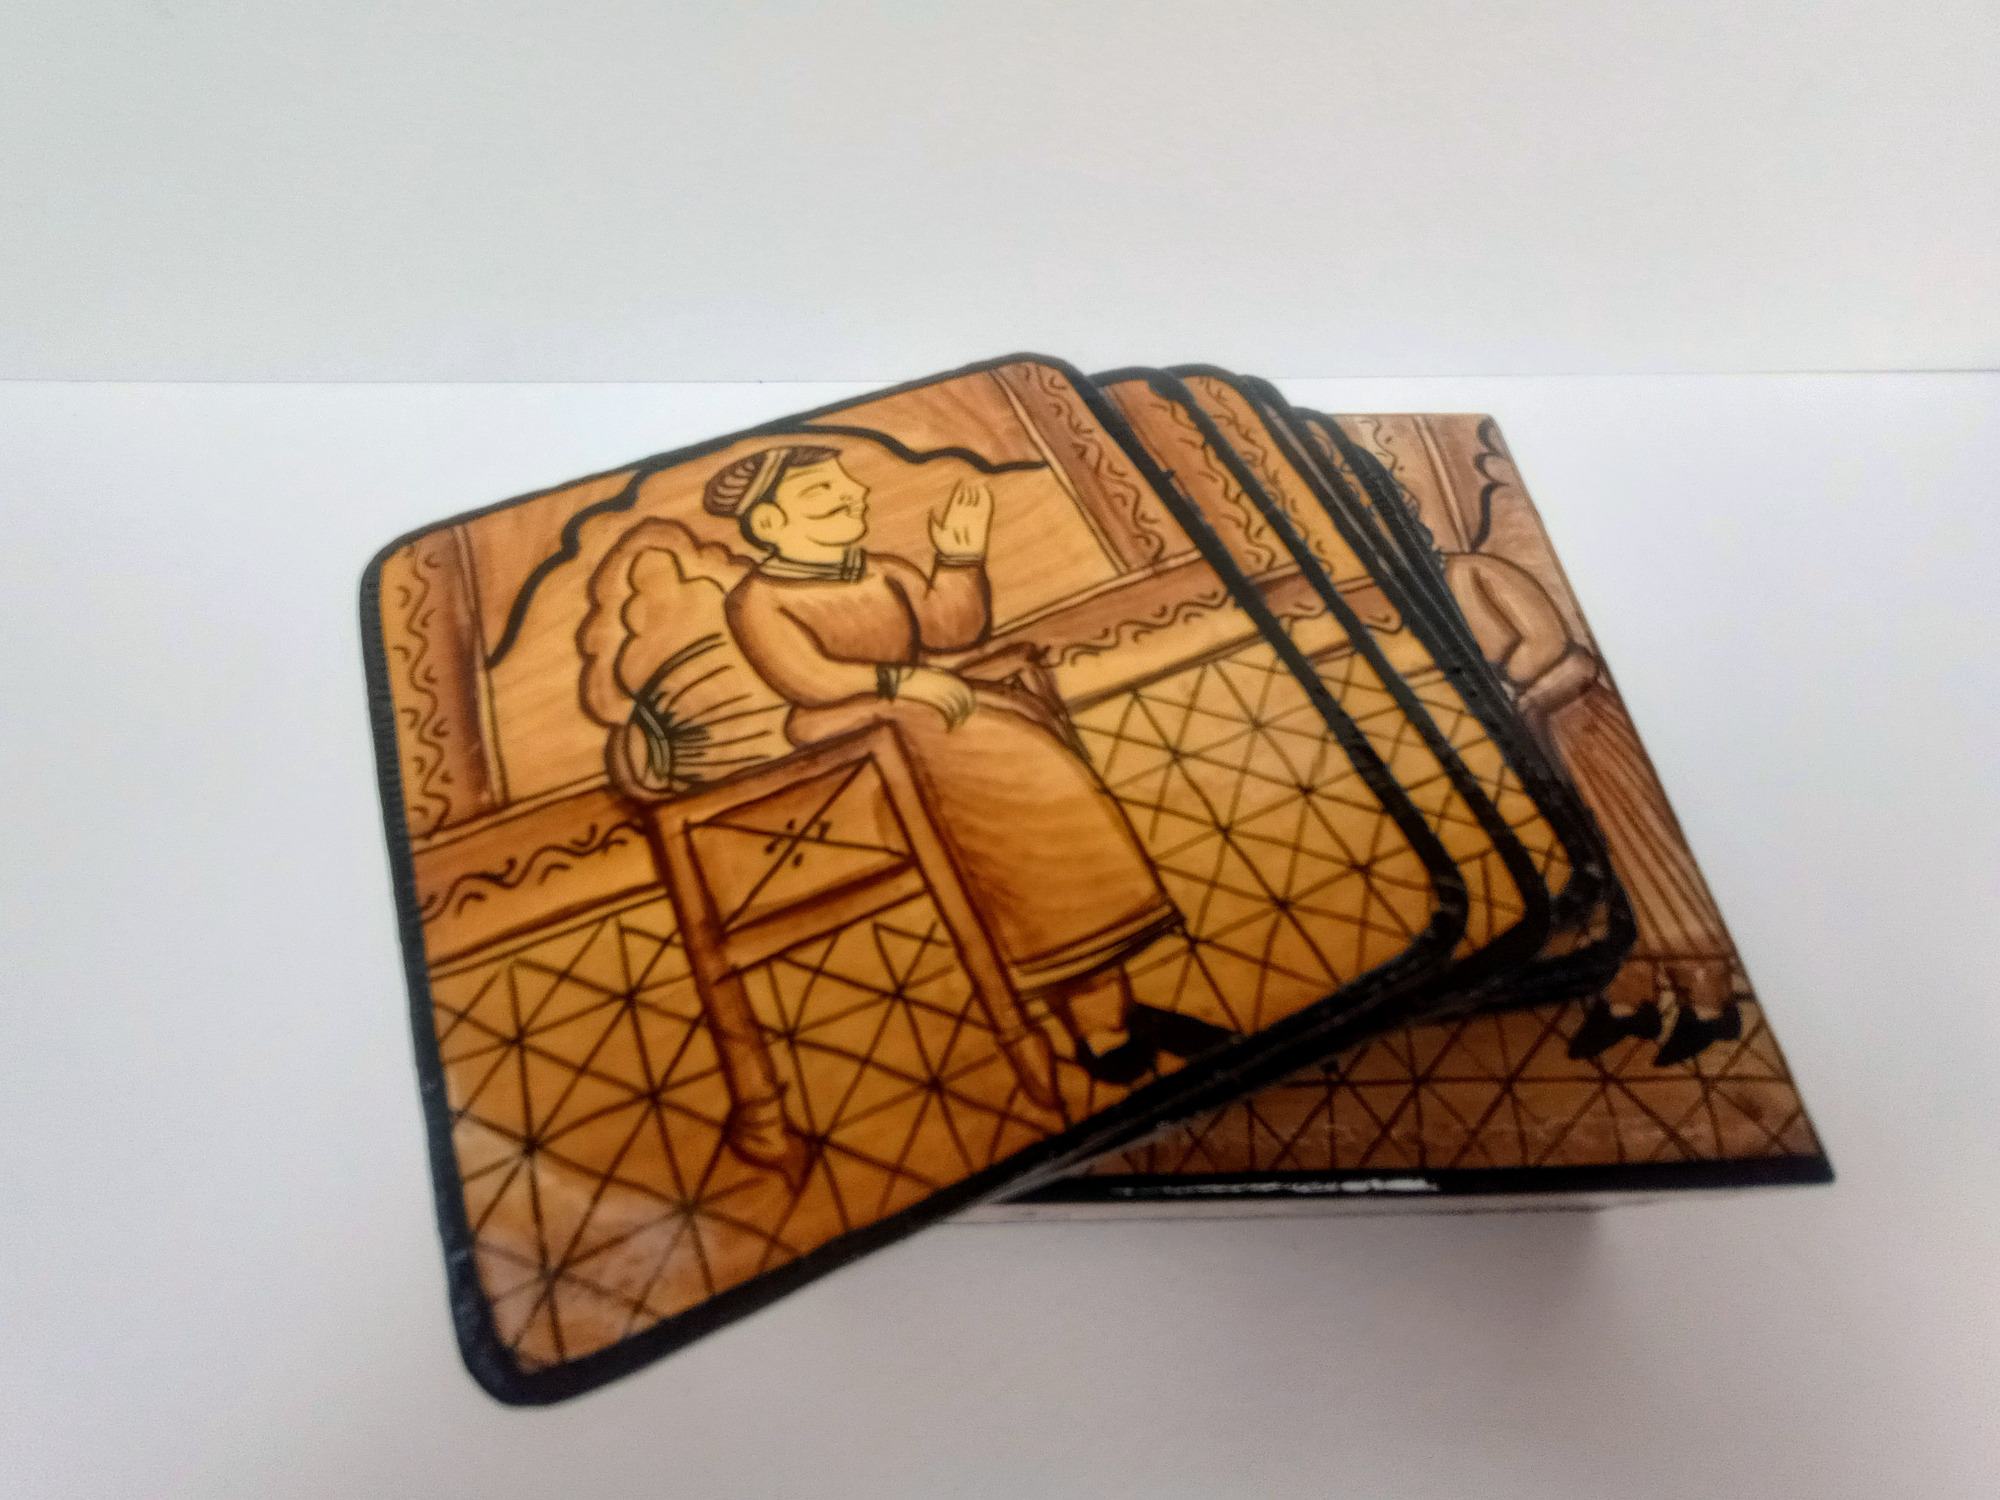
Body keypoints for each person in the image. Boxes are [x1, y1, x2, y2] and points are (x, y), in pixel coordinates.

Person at [703, 444, 1203, 1085]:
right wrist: (897, 681)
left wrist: (959, 558)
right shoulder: (758, 599)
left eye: (846, 482)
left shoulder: (883, 570)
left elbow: (951, 631)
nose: (854, 493)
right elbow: (808, 677)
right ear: (770, 523)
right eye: (822, 492)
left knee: (1039, 822)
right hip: (859, 737)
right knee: (1014, 810)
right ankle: (1100, 1019)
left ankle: (1107, 1011)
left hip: (934, 719)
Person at [1446, 551, 1743, 1065]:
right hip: (1547, 739)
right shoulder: (1431, 593)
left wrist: (1510, 690)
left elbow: (1545, 643)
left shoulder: (1470, 571)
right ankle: (1632, 999)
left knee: (1643, 856)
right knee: (1606, 868)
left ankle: (1708, 1000)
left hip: (1582, 725)